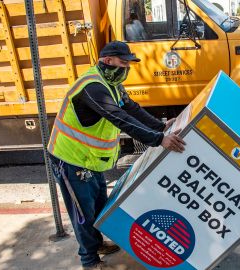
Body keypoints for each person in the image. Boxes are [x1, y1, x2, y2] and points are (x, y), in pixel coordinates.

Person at [47, 41, 186, 270]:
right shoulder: (92, 87)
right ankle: (89, 261)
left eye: (129, 64)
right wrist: (159, 140)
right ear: (108, 61)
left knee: (99, 205)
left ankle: (98, 244)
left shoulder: (111, 83)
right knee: (83, 213)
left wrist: (160, 126)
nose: (127, 69)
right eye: (123, 63)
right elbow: (119, 118)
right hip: (71, 160)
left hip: (90, 160)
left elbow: (131, 108)